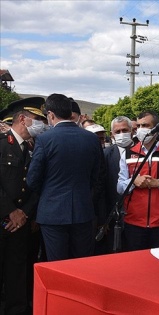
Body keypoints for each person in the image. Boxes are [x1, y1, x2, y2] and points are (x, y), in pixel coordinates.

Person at [27, 94, 104, 261]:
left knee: (57, 264)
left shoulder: (44, 139)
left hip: (52, 213)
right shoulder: (91, 139)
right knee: (82, 264)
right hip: (83, 210)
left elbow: (33, 179)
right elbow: (95, 176)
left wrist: (49, 194)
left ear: (51, 115)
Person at [0, 97, 47, 314]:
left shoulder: (35, 148)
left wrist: (25, 213)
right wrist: (10, 211)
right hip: (4, 219)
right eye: (37, 119)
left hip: (21, 224)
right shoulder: (2, 144)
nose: (42, 123)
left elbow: (38, 185)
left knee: (17, 273)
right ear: (22, 118)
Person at [117, 110, 159, 251]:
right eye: (139, 126)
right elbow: (119, 186)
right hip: (134, 223)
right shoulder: (128, 153)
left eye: (146, 125)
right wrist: (133, 182)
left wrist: (158, 183)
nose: (141, 130)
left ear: (156, 128)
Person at [96, 116, 134, 254]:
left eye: (125, 130)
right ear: (112, 134)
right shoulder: (105, 155)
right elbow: (101, 189)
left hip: (137, 217)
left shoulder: (142, 153)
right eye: (117, 132)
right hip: (112, 218)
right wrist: (103, 220)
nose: (121, 134)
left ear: (132, 131)